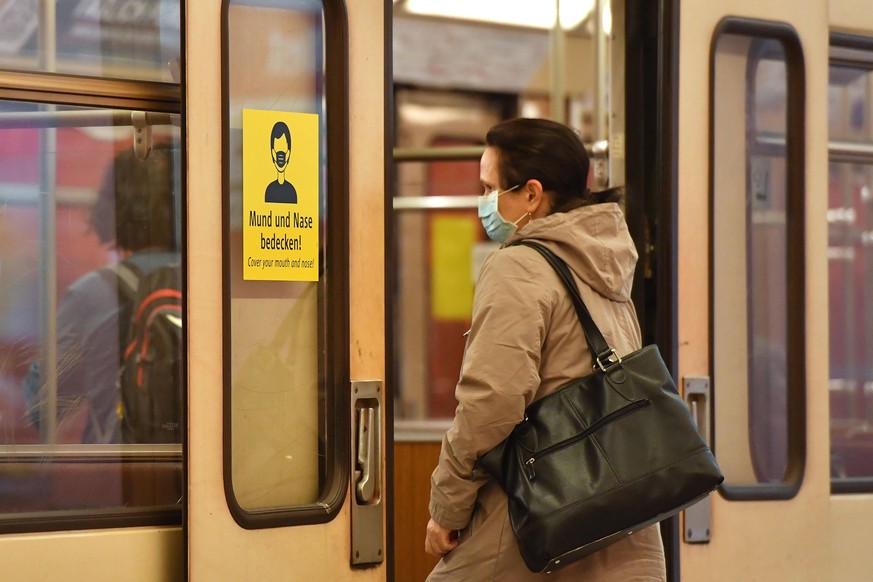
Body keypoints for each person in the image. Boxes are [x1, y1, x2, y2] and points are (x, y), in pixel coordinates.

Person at [424, 118, 667, 580]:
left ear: (531, 195)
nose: (484, 203)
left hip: (538, 520)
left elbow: (490, 403)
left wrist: (447, 508)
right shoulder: (608, 263)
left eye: (490, 187)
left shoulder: (519, 267)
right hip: (625, 524)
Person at [23, 145, 180, 443]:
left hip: (124, 475)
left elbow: (42, 407)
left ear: (113, 208)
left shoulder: (93, 294)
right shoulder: (215, 285)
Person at [265, 121, 298, 204]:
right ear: (272, 152)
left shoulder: (292, 191)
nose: (280, 158)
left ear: (288, 153)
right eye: (277, 152)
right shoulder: (269, 190)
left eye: (284, 152)